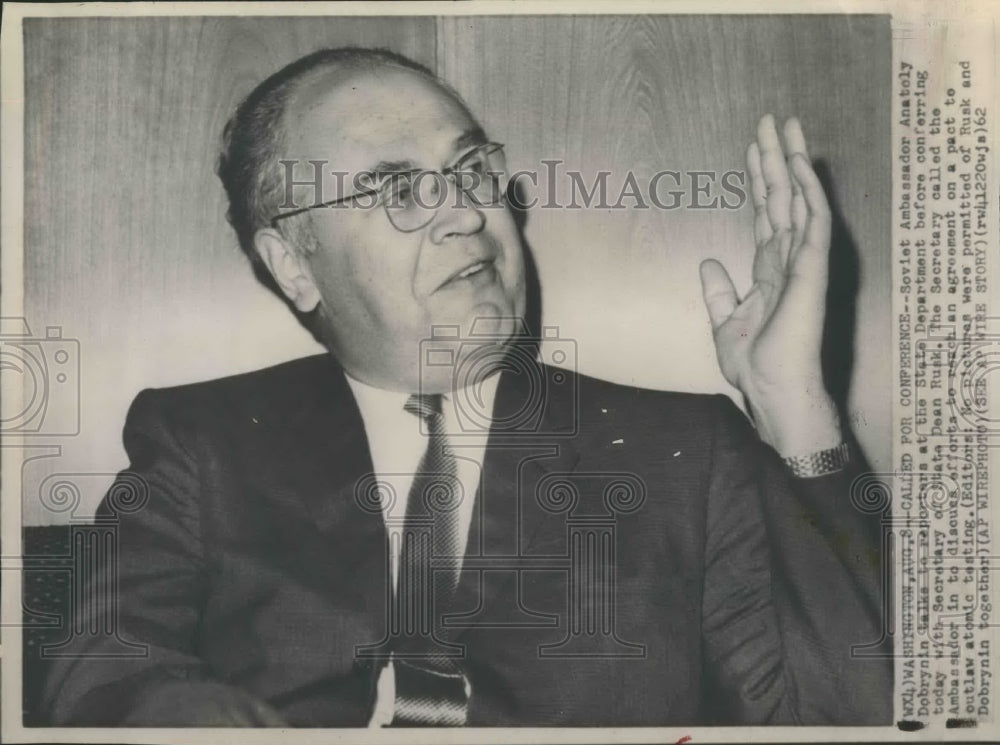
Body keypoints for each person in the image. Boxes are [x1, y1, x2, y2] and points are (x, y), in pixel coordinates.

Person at [40, 47, 892, 727]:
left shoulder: (686, 451)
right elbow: (104, 679)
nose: (465, 211)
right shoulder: (202, 443)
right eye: (400, 189)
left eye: (473, 170)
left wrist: (793, 405)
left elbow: (842, 716)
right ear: (296, 265)